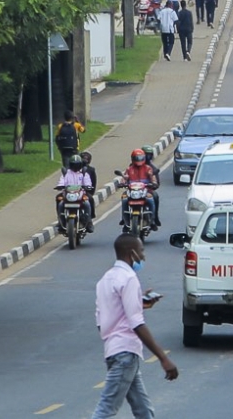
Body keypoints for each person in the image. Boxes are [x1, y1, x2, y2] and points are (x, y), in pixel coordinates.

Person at [91, 235, 178, 419]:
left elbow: (104, 320)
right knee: (105, 410)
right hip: (126, 353)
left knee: (143, 409)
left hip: (113, 351)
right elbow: (136, 322)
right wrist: (163, 358)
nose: (143, 256)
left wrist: (139, 302)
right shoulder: (129, 278)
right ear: (132, 253)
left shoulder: (105, 280)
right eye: (141, 251)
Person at [55, 154, 95, 233]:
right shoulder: (66, 173)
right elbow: (62, 181)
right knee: (59, 201)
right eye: (74, 164)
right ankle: (60, 221)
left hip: (80, 194)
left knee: (88, 201)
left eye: (77, 164)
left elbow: (87, 182)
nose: (75, 166)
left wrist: (87, 186)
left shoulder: (83, 173)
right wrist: (60, 186)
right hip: (68, 194)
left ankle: (89, 221)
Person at [139, 145, 162, 228]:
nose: (147, 157)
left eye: (149, 155)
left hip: (147, 191)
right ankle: (125, 218)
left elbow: (157, 182)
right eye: (146, 155)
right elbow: (127, 177)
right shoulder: (132, 166)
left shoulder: (153, 168)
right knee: (125, 197)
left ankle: (154, 217)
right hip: (135, 191)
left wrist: (153, 185)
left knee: (155, 196)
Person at [81, 150, 99, 222]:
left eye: (86, 159)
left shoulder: (90, 170)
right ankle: (61, 219)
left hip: (83, 192)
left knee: (90, 199)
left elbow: (93, 182)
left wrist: (90, 190)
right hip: (72, 192)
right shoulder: (71, 170)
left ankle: (90, 218)